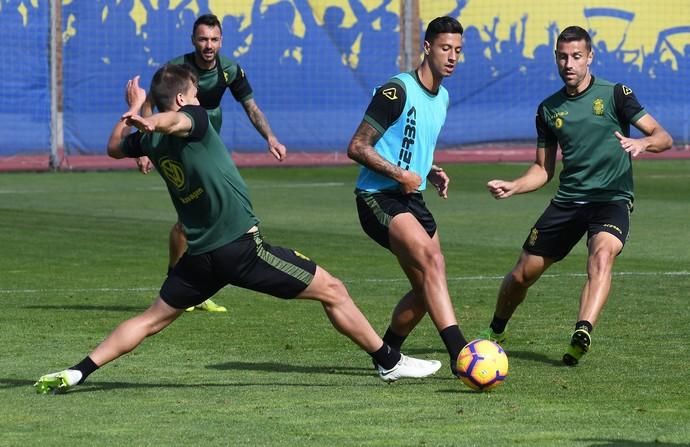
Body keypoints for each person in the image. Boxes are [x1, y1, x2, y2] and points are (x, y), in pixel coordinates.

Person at [33, 65, 442, 395]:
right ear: (182, 98)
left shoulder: (149, 143)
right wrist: (152, 119)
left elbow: (112, 147)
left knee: (150, 319)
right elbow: (175, 120)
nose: (199, 99)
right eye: (193, 93)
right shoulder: (189, 119)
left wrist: (137, 110)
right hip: (241, 249)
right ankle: (389, 362)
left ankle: (78, 371)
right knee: (333, 289)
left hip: (200, 257)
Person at [480, 26, 673, 366]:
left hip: (612, 200)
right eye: (563, 56)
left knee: (602, 255)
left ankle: (582, 331)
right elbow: (542, 170)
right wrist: (514, 185)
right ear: (556, 57)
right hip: (569, 202)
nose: (569, 63)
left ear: (590, 57)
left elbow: (663, 136)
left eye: (576, 56)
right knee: (522, 276)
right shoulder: (548, 110)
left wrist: (642, 143)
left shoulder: (616, 94)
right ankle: (497, 330)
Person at [138, 13, 287, 313]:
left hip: (208, 149)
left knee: (199, 218)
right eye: (203, 39)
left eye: (214, 39)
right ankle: (178, 281)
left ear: (221, 41)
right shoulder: (178, 70)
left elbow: (251, 107)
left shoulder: (230, 70)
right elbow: (149, 104)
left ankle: (192, 287)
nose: (209, 45)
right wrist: (143, 145)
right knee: (190, 219)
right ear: (193, 40)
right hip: (180, 149)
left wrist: (270, 137)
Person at [346, 16, 469, 376]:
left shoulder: (443, 97)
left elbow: (410, 143)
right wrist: (400, 174)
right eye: (445, 48)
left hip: (411, 198)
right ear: (427, 47)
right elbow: (357, 146)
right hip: (377, 197)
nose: (452, 57)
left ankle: (388, 357)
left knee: (426, 286)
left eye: (458, 51)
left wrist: (429, 170)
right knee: (432, 262)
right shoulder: (396, 90)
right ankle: (461, 355)